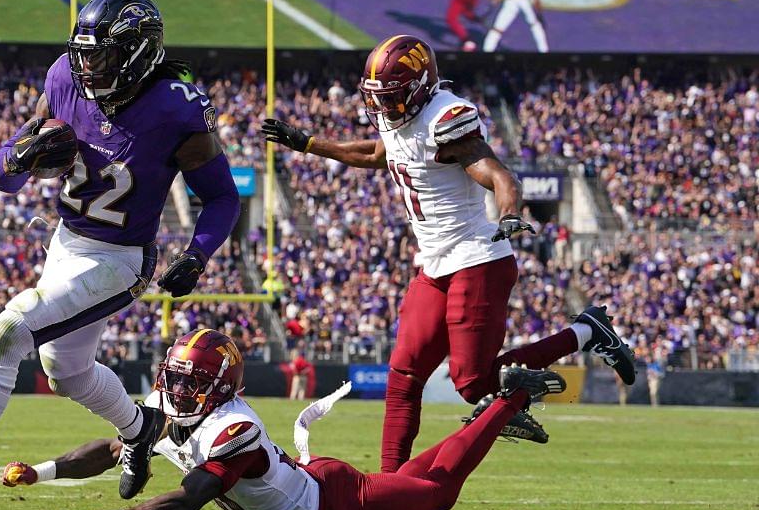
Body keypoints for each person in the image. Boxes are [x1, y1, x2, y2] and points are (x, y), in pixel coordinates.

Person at [0, 0, 241, 510]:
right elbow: (3, 178)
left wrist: (198, 254)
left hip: (120, 258)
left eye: (102, 54)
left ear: (136, 53)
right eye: (83, 52)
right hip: (66, 243)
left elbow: (223, 196)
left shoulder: (174, 107)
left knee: (8, 333)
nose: (87, 65)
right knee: (64, 369)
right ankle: (140, 429)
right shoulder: (65, 77)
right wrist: (20, 155)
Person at [262, 35, 636, 472]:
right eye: (379, 97)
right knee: (402, 375)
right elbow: (375, 152)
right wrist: (308, 143)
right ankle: (388, 484)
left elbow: (498, 173)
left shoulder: (445, 118)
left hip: (478, 258)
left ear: (418, 88)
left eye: (392, 96)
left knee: (472, 382)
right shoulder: (398, 118)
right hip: (435, 263)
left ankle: (587, 333)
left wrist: (511, 213)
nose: (384, 107)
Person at [4, 329, 568, 510]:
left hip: (337, 505)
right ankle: (488, 421)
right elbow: (112, 449)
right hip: (311, 486)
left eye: (190, 382)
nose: (175, 392)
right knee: (421, 481)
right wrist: (43, 471)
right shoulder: (169, 406)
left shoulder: (235, 428)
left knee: (437, 494)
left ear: (220, 387)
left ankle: (512, 396)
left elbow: (189, 500)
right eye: (174, 379)